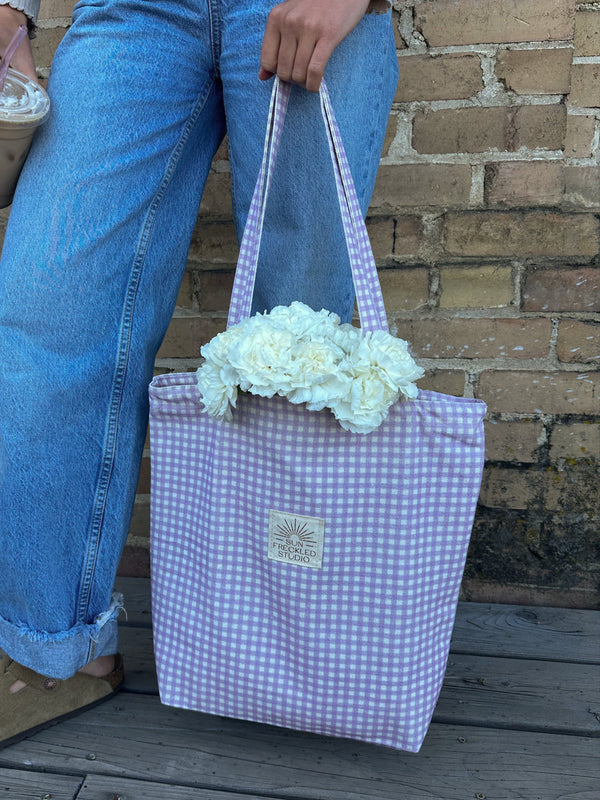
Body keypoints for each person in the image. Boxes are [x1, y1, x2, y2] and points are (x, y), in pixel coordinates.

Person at [0, 0, 397, 747]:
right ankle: (52, 654)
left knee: (295, 342)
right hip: (133, 13)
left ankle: (279, 653)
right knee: (49, 309)